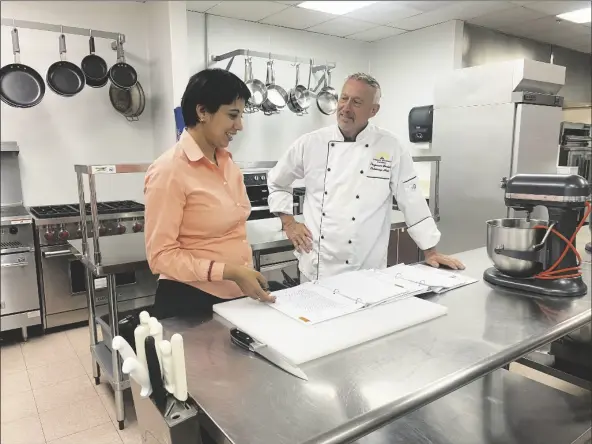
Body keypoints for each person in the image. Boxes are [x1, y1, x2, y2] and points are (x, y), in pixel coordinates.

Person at [267, 72, 464, 282]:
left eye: (357, 102)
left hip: (367, 269)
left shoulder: (390, 147)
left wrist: (431, 251)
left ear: (373, 110)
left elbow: (412, 200)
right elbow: (277, 181)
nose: (346, 107)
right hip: (316, 267)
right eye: (344, 98)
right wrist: (289, 223)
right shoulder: (310, 144)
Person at [144, 68, 275, 320]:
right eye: (232, 115)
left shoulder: (227, 162)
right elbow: (161, 257)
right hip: (189, 300)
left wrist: (240, 274)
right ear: (202, 112)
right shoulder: (169, 170)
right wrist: (230, 272)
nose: (239, 126)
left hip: (235, 295)